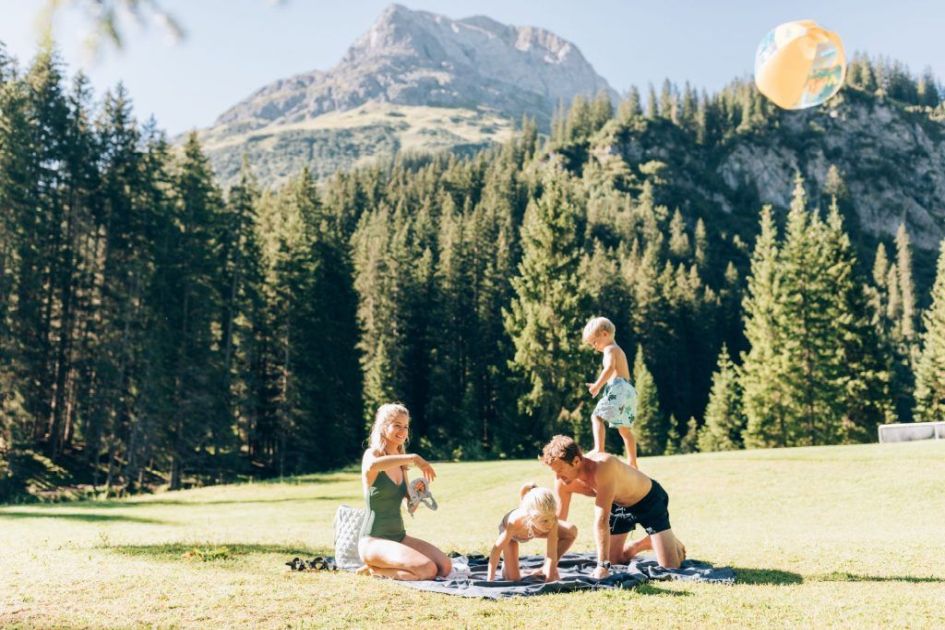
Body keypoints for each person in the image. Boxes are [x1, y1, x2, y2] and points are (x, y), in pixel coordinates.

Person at [541, 435, 686, 579]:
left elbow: (601, 520)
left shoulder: (603, 466)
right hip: (618, 504)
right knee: (616, 560)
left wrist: (602, 566)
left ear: (576, 461)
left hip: (648, 501)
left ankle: (668, 541)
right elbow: (559, 524)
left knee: (670, 568)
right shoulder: (563, 481)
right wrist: (549, 564)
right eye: (554, 471)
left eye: (560, 470)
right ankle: (640, 545)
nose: (558, 477)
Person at [357, 403, 452, 580]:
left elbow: (410, 506)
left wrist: (417, 495)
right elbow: (372, 466)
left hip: (398, 537)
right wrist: (414, 458)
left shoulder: (401, 465)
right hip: (373, 541)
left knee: (445, 567)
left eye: (406, 426)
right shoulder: (372, 455)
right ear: (384, 427)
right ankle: (374, 570)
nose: (403, 431)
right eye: (397, 425)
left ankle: (382, 565)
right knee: (427, 570)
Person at [486, 483, 578, 582]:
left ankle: (545, 568)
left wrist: (549, 581)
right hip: (513, 536)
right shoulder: (514, 522)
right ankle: (506, 566)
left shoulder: (550, 520)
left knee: (570, 531)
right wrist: (490, 580)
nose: (550, 524)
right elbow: (496, 550)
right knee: (513, 579)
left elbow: (551, 554)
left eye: (552, 518)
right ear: (532, 517)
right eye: (545, 521)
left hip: (535, 529)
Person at [583, 316, 638, 468]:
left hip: (618, 388)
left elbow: (609, 369)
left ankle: (598, 448)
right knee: (625, 430)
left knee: (596, 417)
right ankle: (633, 461)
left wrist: (597, 385)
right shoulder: (618, 350)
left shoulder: (609, 350)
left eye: (595, 341)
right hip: (629, 390)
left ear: (605, 334)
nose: (594, 346)